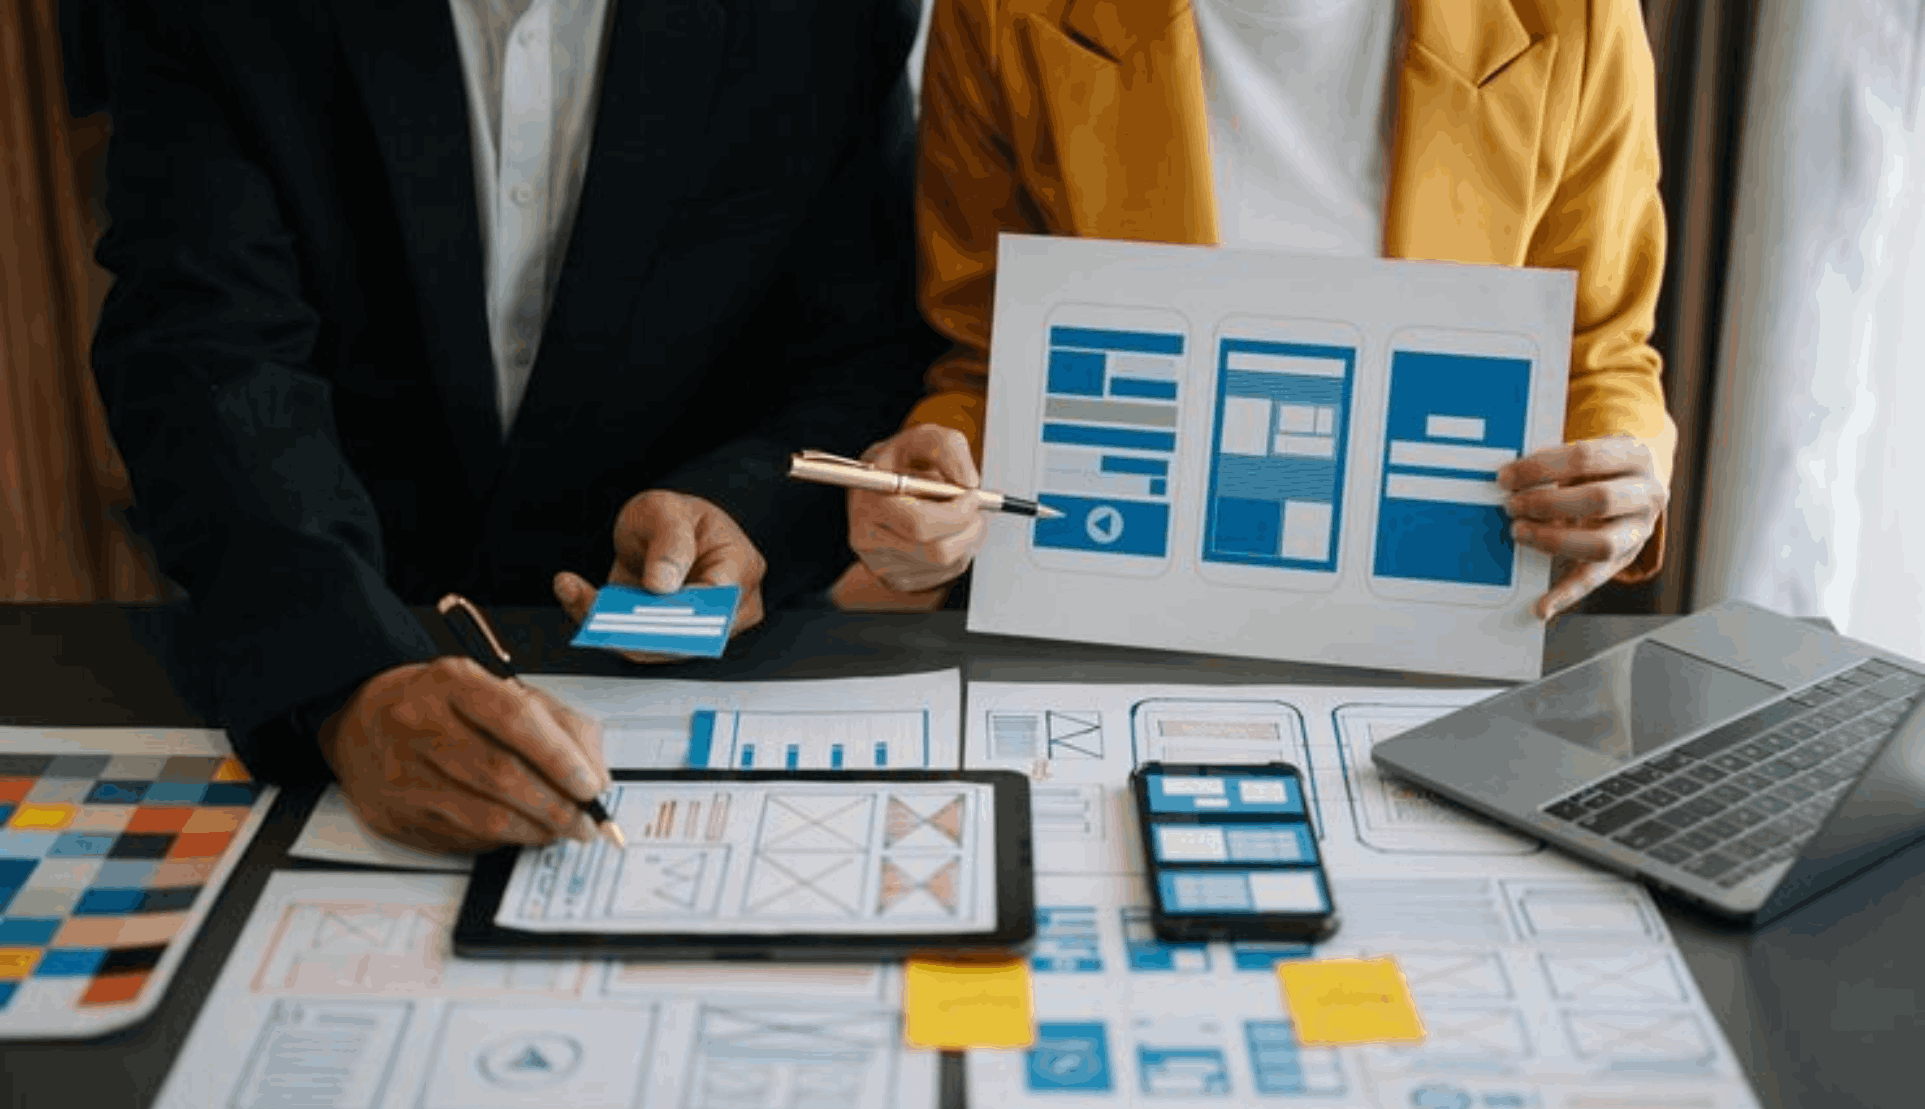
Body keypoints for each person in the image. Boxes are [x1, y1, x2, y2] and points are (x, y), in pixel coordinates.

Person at [90, 0, 939, 851]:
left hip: (692, 683)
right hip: (327, 622)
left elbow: (855, 356)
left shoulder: (833, 17)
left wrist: (741, 515)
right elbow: (203, 347)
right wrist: (346, 678)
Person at [839, 0, 1676, 619]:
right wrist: (930, 498)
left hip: (1438, 611)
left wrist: (1623, 473)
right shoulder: (999, 15)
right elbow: (989, 353)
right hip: (1110, 605)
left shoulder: (1577, 18)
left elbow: (1597, 348)